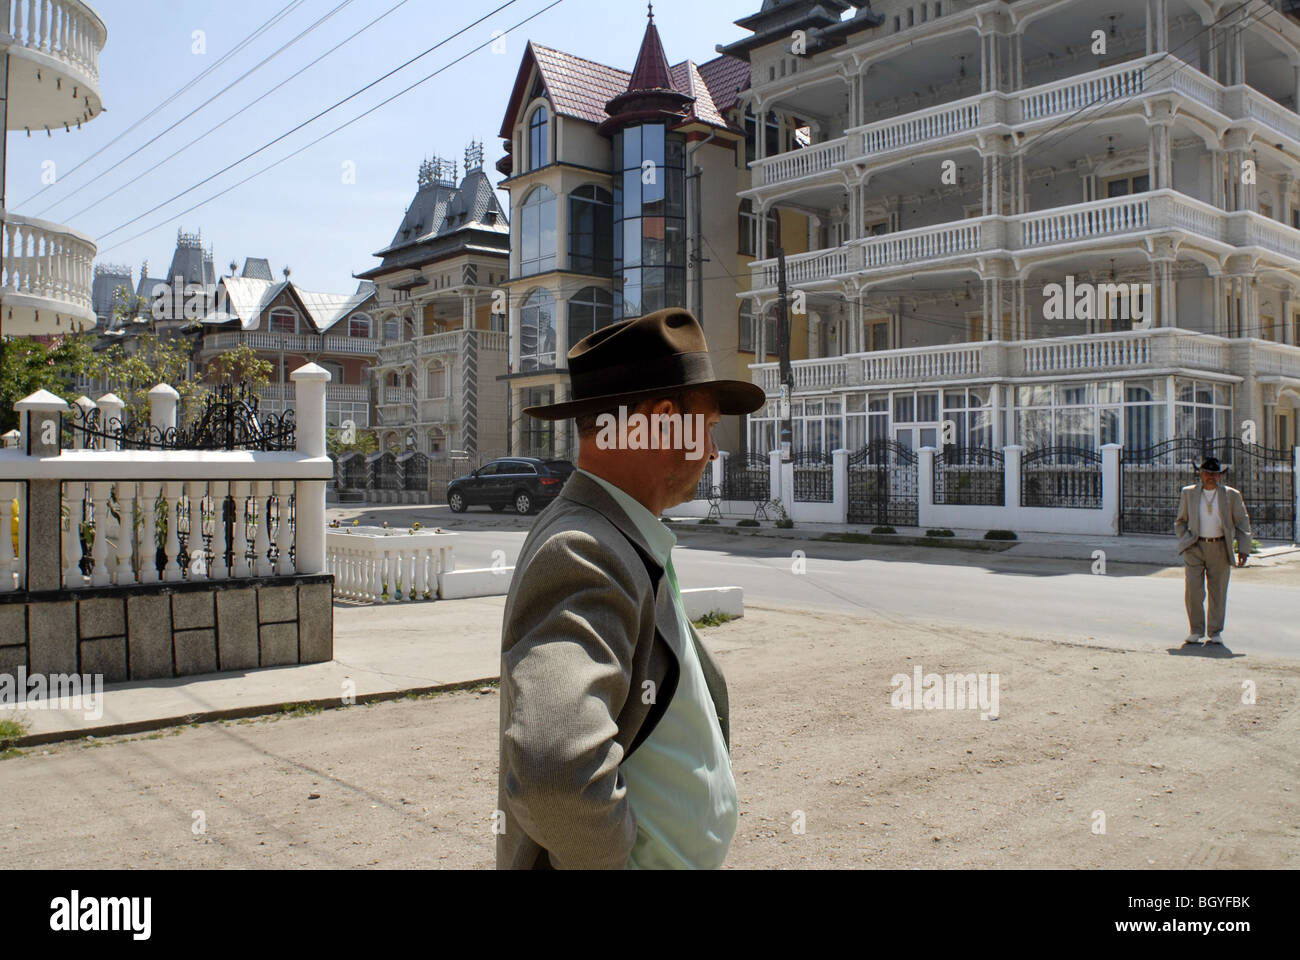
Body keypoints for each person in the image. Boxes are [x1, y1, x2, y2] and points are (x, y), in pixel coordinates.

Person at [495, 307, 765, 869]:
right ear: (664, 420)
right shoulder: (584, 550)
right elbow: (552, 771)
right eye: (708, 427)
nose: (713, 451)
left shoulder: (618, 536)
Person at [1174, 455, 1252, 646]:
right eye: (1207, 473)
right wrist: (1185, 540)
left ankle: (1215, 631)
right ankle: (1196, 630)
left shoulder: (1231, 495)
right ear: (1200, 474)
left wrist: (1243, 548)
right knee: (1193, 590)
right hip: (1195, 546)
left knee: (1217, 591)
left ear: (1220, 476)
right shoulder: (1189, 493)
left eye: (1215, 474)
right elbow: (1180, 520)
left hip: (1220, 547)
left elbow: (1242, 522)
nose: (1211, 477)